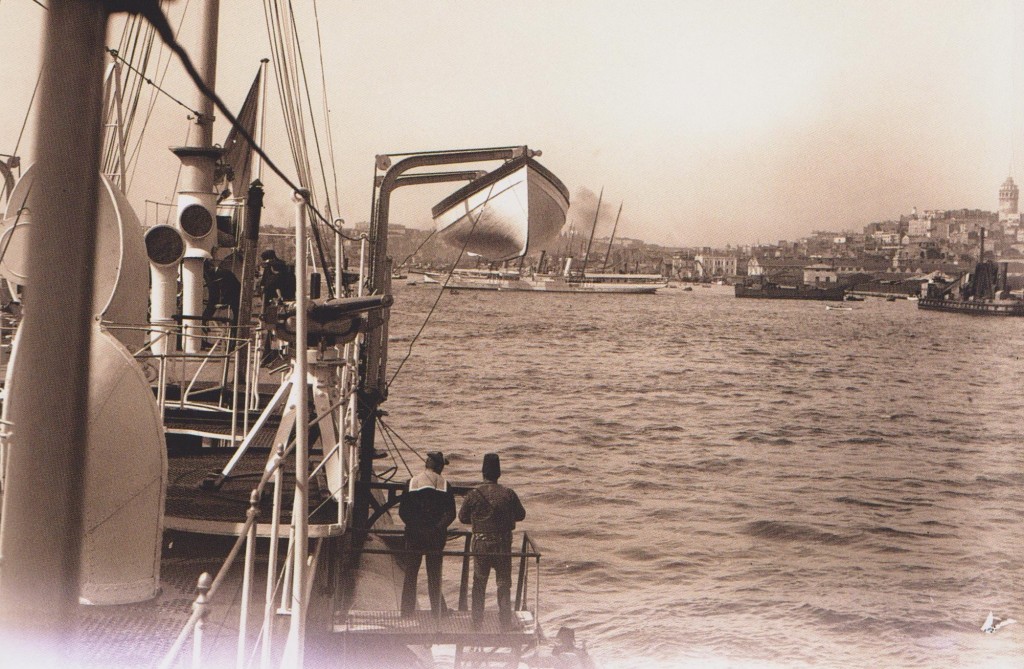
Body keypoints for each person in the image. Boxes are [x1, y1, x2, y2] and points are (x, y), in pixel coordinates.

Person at [458, 453, 526, 629]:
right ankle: (505, 622)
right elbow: (521, 515)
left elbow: (462, 517)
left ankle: (476, 622)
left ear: (483, 473)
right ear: (499, 473)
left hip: (480, 544)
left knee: (479, 583)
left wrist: (479, 519)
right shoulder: (508, 493)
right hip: (502, 544)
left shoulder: (474, 494)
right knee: (503, 583)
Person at [398, 451, 456, 619]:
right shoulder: (445, 485)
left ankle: (406, 612)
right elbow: (451, 514)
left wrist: (415, 526)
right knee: (434, 574)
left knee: (411, 573)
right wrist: (437, 528)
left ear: (426, 464)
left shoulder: (412, 482)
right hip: (435, 537)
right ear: (439, 467)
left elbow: (403, 512)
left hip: (414, 535)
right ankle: (438, 612)